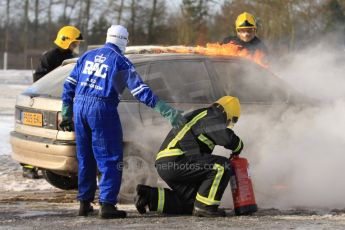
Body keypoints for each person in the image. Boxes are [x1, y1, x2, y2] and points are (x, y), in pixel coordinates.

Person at [60, 25, 184, 219]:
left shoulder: (87, 56)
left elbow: (68, 85)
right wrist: (166, 111)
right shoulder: (121, 62)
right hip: (102, 109)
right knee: (110, 158)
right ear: (125, 40)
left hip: (79, 107)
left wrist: (67, 112)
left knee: (86, 157)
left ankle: (84, 203)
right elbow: (141, 91)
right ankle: (107, 205)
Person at [135, 96, 244, 217]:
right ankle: (206, 208)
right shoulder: (213, 116)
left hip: (165, 164)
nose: (229, 124)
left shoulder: (202, 115)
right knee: (222, 166)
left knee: (191, 203)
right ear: (227, 113)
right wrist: (238, 146)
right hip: (177, 160)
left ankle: (149, 196)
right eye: (232, 120)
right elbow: (227, 138)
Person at [22, 25, 83, 180]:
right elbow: (40, 78)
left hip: (63, 97)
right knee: (36, 132)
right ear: (65, 41)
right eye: (74, 43)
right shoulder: (49, 56)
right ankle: (29, 166)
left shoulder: (69, 56)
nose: (75, 46)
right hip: (47, 97)